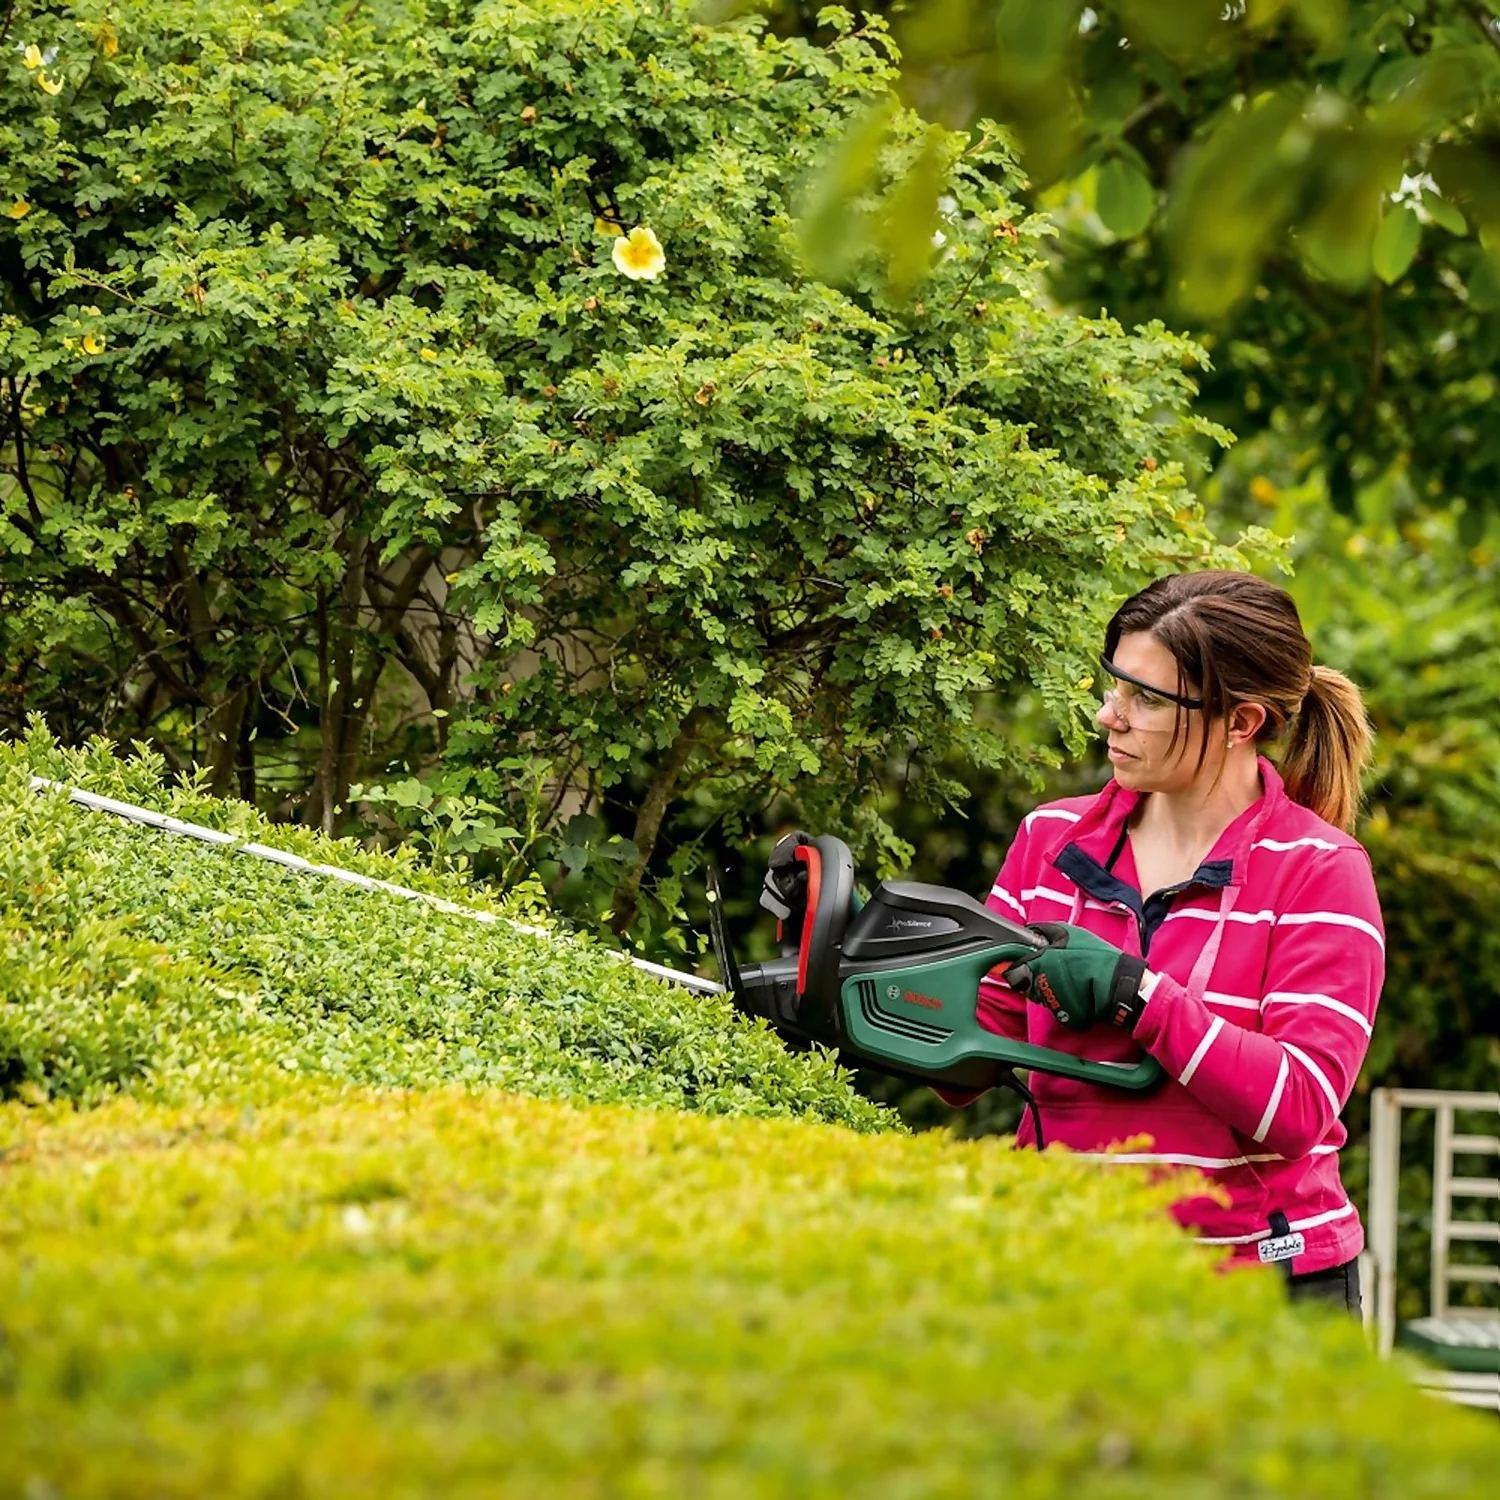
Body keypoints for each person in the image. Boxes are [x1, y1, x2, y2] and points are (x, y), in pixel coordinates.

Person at [950, 571, 1382, 1313]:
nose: (1108, 716)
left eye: (1145, 699)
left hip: (1260, 1287)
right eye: (1114, 685)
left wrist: (1138, 995)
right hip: (1061, 1271)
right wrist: (849, 969)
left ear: (1240, 722)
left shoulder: (1320, 870)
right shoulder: (1049, 841)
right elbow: (971, 1051)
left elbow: (1299, 1105)